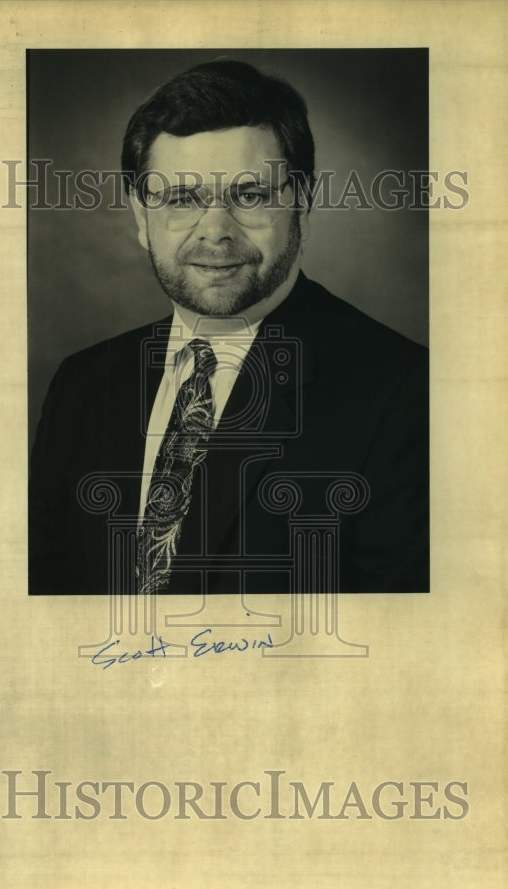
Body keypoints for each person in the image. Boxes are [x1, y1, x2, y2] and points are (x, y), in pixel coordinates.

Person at [29, 59, 429, 596]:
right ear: (141, 219)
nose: (215, 232)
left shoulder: (404, 393)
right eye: (180, 199)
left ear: (302, 206)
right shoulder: (80, 386)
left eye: (250, 196)